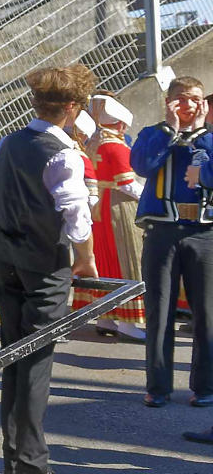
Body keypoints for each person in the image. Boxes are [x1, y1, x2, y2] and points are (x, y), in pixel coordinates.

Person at [0, 63, 96, 474]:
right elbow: (76, 215)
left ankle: (18, 462)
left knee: (14, 356)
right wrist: (84, 259)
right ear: (71, 107)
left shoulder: (9, 142)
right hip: (44, 263)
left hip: (9, 259)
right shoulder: (62, 152)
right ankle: (29, 465)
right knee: (34, 362)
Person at [128, 76, 213, 408]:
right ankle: (158, 386)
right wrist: (170, 130)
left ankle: (205, 386)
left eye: (193, 99)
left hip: (204, 233)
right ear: (168, 102)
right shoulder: (153, 134)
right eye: (180, 98)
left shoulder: (210, 138)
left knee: (206, 314)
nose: (187, 105)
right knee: (158, 310)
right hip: (162, 232)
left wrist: (202, 131)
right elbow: (143, 165)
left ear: (202, 105)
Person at [82, 94, 144, 338]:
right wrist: (149, 198)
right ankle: (128, 323)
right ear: (120, 124)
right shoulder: (116, 146)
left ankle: (106, 318)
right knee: (126, 259)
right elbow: (128, 184)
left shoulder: (93, 141)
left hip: (99, 207)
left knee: (106, 261)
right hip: (118, 207)